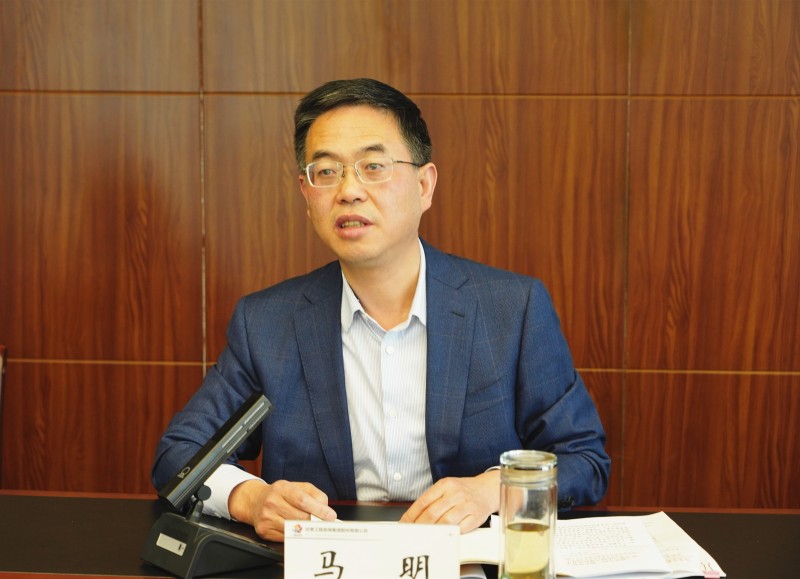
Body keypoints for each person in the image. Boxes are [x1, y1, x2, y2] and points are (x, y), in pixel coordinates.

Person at [152, 78, 610, 542]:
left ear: (424, 185)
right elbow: (180, 454)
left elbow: (583, 459)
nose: (349, 190)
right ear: (306, 194)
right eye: (326, 171)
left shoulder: (511, 310)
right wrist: (251, 499)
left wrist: (491, 490)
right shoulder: (267, 324)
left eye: (373, 166)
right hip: (327, 564)